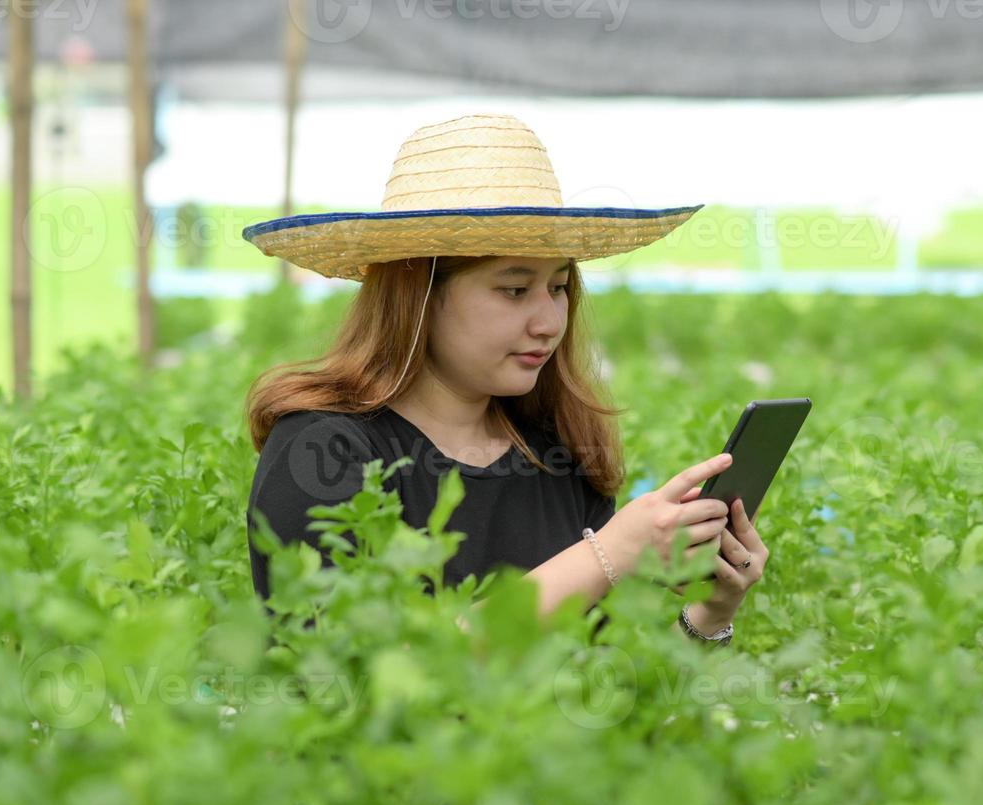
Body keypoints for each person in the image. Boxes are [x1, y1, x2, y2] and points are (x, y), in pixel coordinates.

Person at [241, 112, 768, 647]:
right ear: (417, 296)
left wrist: (708, 616)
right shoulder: (322, 449)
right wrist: (608, 554)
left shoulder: (558, 454)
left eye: (558, 287)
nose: (549, 322)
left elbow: (603, 697)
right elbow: (365, 672)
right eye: (514, 291)